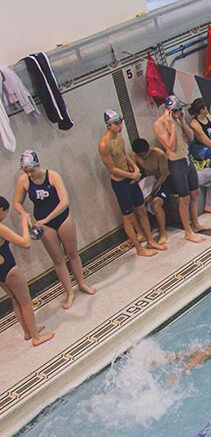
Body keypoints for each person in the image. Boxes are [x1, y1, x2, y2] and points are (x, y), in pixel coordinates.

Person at [13, 150, 95, 310]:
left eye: (32, 170)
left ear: (38, 165)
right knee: (58, 260)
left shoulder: (53, 176)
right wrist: (24, 213)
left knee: (72, 254)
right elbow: (17, 202)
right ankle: (69, 292)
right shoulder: (23, 181)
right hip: (43, 223)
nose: (29, 174)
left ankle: (82, 283)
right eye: (26, 171)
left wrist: (47, 219)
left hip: (61, 218)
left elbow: (64, 201)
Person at [98, 109, 165, 257]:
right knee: (128, 217)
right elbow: (112, 169)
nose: (120, 126)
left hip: (130, 178)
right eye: (116, 123)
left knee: (141, 210)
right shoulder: (104, 145)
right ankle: (139, 249)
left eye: (120, 122)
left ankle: (150, 240)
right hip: (120, 184)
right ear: (108, 125)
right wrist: (132, 174)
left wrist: (134, 167)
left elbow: (123, 155)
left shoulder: (119, 136)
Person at [152, 95, 209, 243]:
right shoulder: (159, 124)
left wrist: (182, 122)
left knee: (195, 192)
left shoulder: (178, 120)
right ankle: (188, 231)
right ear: (171, 111)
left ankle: (195, 224)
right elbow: (171, 146)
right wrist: (172, 126)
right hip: (176, 163)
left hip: (187, 159)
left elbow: (190, 137)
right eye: (178, 111)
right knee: (184, 198)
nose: (180, 113)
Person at [0, 196, 54, 346]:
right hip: (9, 268)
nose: (6, 216)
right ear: (0, 210)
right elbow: (25, 243)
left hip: (0, 271)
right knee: (25, 302)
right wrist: (24, 223)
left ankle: (28, 332)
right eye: (6, 212)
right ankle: (36, 337)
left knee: (14, 299)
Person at [129, 138, 176, 245]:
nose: (142, 158)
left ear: (148, 150)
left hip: (164, 181)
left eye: (143, 155)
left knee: (156, 203)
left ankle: (163, 232)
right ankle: (143, 232)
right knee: (138, 204)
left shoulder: (158, 154)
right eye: (139, 156)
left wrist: (151, 193)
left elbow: (164, 175)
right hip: (151, 179)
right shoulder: (135, 156)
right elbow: (134, 170)